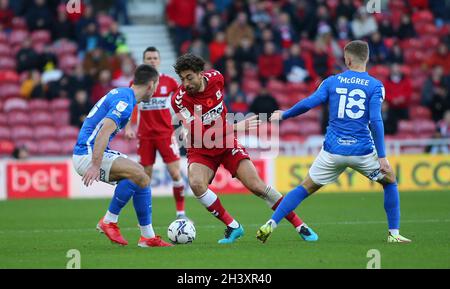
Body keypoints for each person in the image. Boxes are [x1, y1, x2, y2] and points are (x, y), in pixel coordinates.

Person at [256, 41, 412, 244]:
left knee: (305, 187)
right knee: (390, 181)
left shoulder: (332, 81)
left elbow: (309, 103)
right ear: (366, 58)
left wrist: (284, 115)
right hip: (362, 151)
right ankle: (394, 234)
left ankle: (271, 223)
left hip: (333, 150)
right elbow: (376, 120)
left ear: (347, 59)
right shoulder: (375, 86)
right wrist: (382, 156)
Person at [171, 53, 317, 244]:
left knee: (257, 186)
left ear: (200, 74)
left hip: (226, 143)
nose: (186, 83)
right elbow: (199, 133)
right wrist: (237, 126)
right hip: (201, 148)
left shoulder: (217, 79)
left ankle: (300, 225)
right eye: (182, 79)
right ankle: (233, 226)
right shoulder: (179, 100)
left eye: (189, 78)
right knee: (197, 184)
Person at [72, 64, 172, 248]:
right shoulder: (125, 102)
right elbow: (103, 132)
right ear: (151, 84)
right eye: (156, 85)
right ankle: (109, 221)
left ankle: (147, 237)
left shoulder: (124, 95)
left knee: (141, 177)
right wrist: (94, 165)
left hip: (91, 151)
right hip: (87, 153)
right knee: (139, 175)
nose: (156, 89)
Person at [125, 47, 188, 221]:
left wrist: (183, 124)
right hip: (145, 136)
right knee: (145, 178)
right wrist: (128, 127)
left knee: (176, 174)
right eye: (149, 58)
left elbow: (180, 104)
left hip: (166, 134)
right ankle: (146, 218)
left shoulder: (169, 82)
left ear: (159, 61)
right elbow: (131, 105)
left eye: (154, 58)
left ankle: (181, 214)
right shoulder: (136, 83)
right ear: (144, 61)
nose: (152, 60)